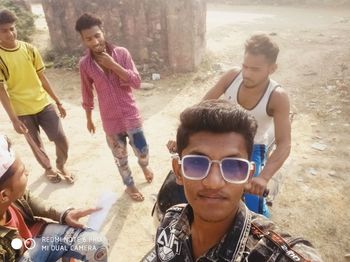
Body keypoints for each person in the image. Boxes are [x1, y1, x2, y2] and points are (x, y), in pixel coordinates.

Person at [143, 100, 321, 262]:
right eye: (197, 163)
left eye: (233, 166)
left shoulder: (274, 255)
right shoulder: (171, 219)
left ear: (248, 176)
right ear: (178, 171)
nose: (213, 183)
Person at [202, 34, 291, 217]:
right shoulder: (232, 77)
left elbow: (284, 144)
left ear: (272, 69)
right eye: (245, 66)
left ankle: (263, 219)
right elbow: (201, 107)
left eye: (255, 69)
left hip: (253, 148)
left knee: (251, 209)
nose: (247, 73)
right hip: (222, 142)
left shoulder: (277, 96)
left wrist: (263, 177)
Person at [74, 13, 153, 202]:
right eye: (89, 38)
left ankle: (144, 166)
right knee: (121, 158)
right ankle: (130, 185)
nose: (94, 41)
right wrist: (88, 118)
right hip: (111, 123)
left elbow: (136, 82)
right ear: (83, 40)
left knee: (142, 150)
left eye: (97, 35)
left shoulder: (121, 54)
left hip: (131, 116)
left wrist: (114, 65)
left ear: (103, 32)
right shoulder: (85, 65)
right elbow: (86, 93)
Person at [0, 134, 108, 261]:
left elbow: (26, 198)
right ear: (4, 195)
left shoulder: (10, 196)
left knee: (96, 245)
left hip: (35, 239)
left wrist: (64, 214)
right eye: (22, 172)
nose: (28, 172)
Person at [0, 9, 73, 184]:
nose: (10, 33)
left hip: (43, 103)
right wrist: (14, 119)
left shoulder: (30, 49)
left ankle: (61, 164)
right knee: (36, 144)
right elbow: (1, 90)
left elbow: (42, 77)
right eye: (4, 30)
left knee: (61, 138)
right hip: (22, 111)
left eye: (12, 28)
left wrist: (57, 101)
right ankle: (48, 168)